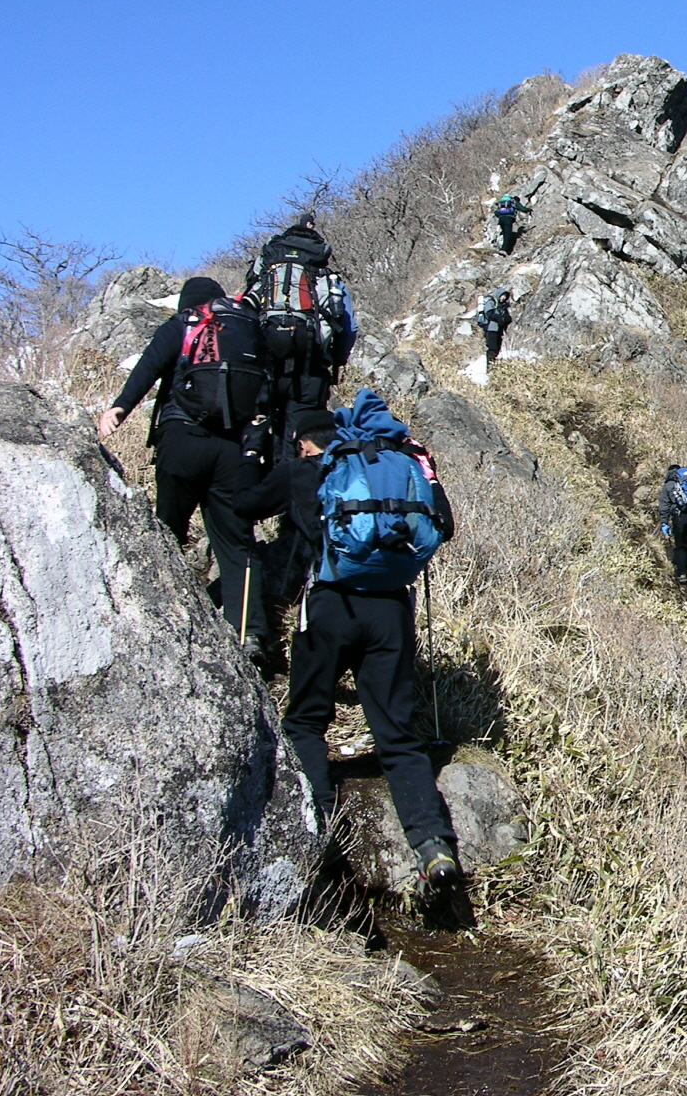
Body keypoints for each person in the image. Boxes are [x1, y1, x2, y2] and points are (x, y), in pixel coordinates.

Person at [281, 390, 461, 888]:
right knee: (399, 737)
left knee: (305, 721)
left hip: (331, 603)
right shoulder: (407, 461)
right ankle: (433, 846)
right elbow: (443, 526)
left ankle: (315, 840)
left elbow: (260, 505)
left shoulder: (325, 463)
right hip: (391, 610)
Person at [96, 277, 266, 649]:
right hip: (232, 449)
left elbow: (149, 366)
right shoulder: (245, 328)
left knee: (168, 532)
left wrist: (120, 408)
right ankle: (249, 631)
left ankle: (162, 622)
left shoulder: (184, 324)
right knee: (237, 543)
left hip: (182, 441)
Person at [231, 407, 335, 669]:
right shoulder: (360, 467)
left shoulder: (299, 470)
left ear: (303, 444)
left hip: (323, 579)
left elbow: (247, 504)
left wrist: (250, 456)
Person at [244, 218, 356, 459]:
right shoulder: (326, 278)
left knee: (266, 429)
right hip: (311, 367)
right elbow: (348, 328)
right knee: (302, 436)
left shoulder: (266, 274)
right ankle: (295, 485)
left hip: (268, 366)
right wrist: (337, 360)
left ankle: (267, 485)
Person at [474, 289, 512, 364]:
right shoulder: (491, 302)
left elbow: (507, 317)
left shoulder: (503, 306)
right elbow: (489, 313)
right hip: (491, 329)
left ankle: (492, 365)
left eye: (505, 296)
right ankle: (489, 366)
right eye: (502, 295)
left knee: (497, 348)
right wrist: (499, 318)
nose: (503, 298)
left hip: (498, 330)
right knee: (492, 348)